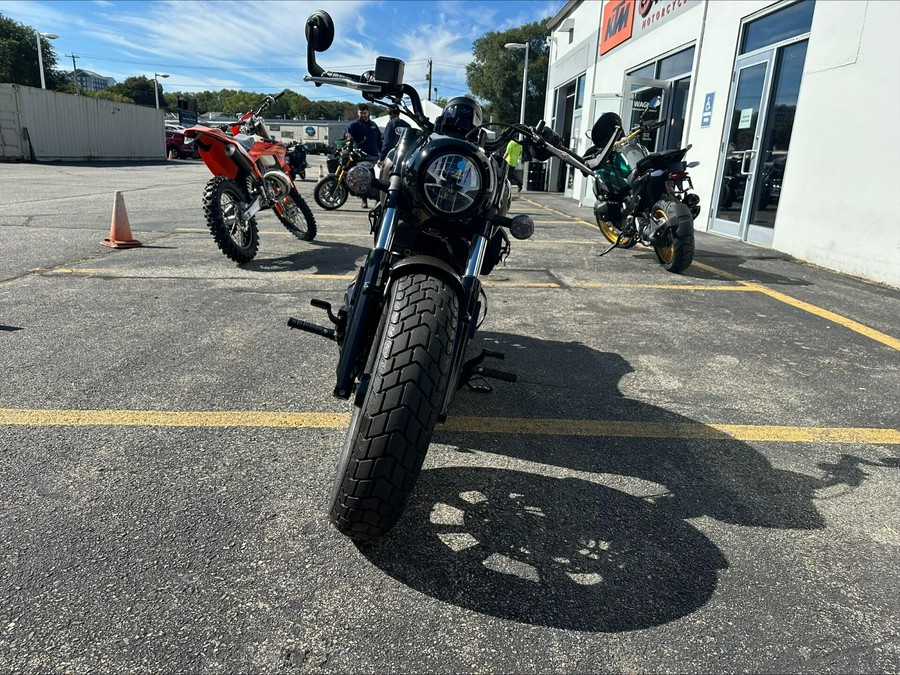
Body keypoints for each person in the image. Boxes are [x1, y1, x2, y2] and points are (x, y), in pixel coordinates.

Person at [344, 103, 382, 208]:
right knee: (361, 180)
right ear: (358, 113)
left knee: (374, 180)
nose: (363, 115)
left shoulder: (373, 125)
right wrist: (347, 135)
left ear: (368, 113)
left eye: (365, 113)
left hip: (373, 157)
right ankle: (364, 200)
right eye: (361, 113)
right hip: (360, 157)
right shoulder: (354, 124)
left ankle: (377, 200)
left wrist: (382, 155)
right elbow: (346, 131)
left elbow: (379, 141)